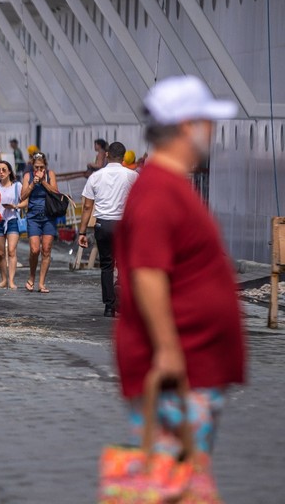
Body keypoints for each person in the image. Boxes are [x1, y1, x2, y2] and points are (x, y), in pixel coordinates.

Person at [114, 75, 244, 474]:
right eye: (208, 121)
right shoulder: (159, 191)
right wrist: (169, 349)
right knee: (172, 477)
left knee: (179, 476)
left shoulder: (166, 185)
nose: (214, 130)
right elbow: (148, 272)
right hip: (180, 363)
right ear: (189, 126)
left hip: (192, 359)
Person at [78, 141, 139, 317]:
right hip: (123, 224)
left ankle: (108, 306)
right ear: (124, 157)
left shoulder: (96, 177)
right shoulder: (132, 175)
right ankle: (123, 300)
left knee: (106, 265)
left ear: (107, 155)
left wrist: (82, 232)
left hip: (102, 223)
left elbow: (87, 207)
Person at [20, 151, 59, 293]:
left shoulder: (50, 175)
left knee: (46, 249)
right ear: (32, 166)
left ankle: (41, 282)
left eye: (41, 167)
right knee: (35, 249)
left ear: (45, 166)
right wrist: (32, 184)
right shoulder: (28, 176)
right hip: (33, 216)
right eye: (36, 167)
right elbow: (22, 196)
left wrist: (43, 181)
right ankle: (31, 276)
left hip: (49, 215)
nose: (39, 170)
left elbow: (55, 192)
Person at [0, 160, 24, 289]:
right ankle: (3, 279)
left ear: (10, 171)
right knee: (0, 253)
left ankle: (11, 280)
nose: (1, 172)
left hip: (12, 219)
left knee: (11, 251)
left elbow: (25, 201)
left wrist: (15, 206)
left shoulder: (17, 186)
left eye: (4, 169)